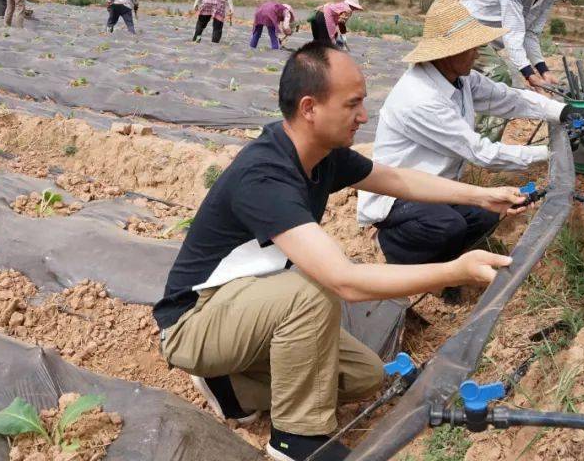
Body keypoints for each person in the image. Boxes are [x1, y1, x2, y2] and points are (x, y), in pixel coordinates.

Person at [154, 42, 526, 461]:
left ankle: (233, 389)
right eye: (353, 104)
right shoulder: (265, 175)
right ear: (310, 107)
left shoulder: (321, 156)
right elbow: (345, 281)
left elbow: (399, 182)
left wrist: (482, 195)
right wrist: (455, 270)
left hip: (248, 303)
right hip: (194, 321)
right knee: (312, 289)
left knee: (365, 376)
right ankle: (296, 441)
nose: (364, 116)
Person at [358, 0, 570, 266]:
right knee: (448, 226)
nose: (477, 54)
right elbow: (481, 153)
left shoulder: (460, 78)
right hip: (400, 195)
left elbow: (506, 98)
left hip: (440, 188)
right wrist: (551, 152)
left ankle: (447, 261)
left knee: (486, 215)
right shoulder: (421, 98)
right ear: (449, 52)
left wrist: (560, 111)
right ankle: (396, 250)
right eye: (471, 48)